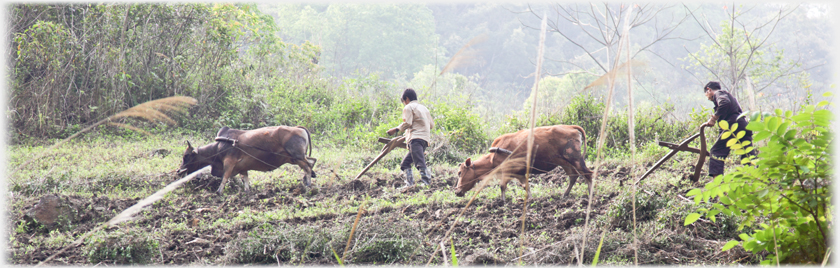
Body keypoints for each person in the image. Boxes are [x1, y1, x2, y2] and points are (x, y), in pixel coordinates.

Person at [701, 81, 757, 178]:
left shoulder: (719, 94)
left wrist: (713, 119)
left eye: (707, 95)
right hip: (742, 125)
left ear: (709, 90)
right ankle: (756, 178)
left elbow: (724, 103)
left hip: (733, 125)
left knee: (716, 151)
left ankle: (717, 183)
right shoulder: (727, 95)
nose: (708, 98)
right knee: (746, 151)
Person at [387, 88, 434, 188]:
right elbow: (431, 125)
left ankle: (427, 183)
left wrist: (395, 129)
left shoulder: (408, 107)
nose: (404, 103)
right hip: (425, 140)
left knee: (420, 162)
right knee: (405, 164)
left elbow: (407, 123)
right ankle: (410, 185)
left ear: (406, 99)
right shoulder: (424, 108)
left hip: (415, 140)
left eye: (403, 101)